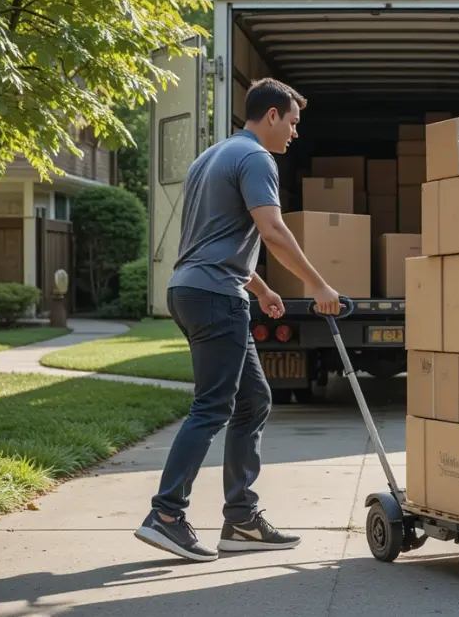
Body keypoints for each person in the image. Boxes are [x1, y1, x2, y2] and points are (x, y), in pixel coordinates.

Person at [134, 78, 340, 562]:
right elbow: (271, 228)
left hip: (194, 288)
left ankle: (241, 519)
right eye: (291, 123)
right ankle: (166, 514)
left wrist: (263, 288)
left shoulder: (211, 158)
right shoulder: (256, 159)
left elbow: (213, 241)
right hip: (214, 297)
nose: (294, 134)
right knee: (213, 406)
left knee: (253, 400)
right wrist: (317, 284)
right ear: (271, 115)